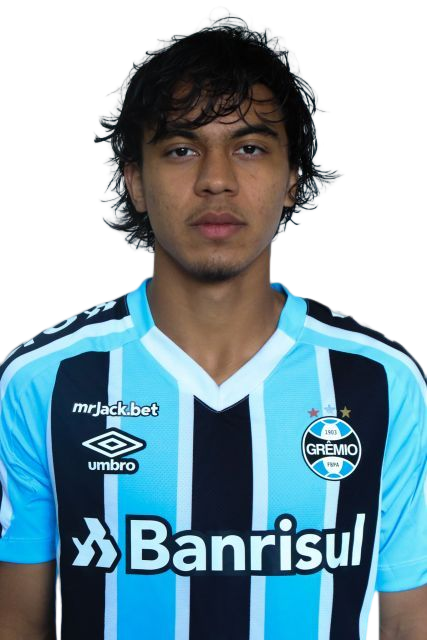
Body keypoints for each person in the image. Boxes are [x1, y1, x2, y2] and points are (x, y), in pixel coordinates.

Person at [1, 24, 426, 640]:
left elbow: (407, 622)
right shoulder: (43, 379)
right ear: (134, 180)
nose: (216, 179)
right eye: (182, 149)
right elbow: (16, 620)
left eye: (249, 147)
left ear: (292, 178)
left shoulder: (382, 381)